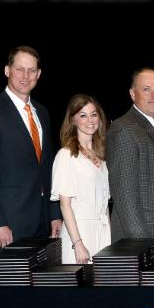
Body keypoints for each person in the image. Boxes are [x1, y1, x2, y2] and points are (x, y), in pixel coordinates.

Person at [0, 46, 62, 255]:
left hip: (42, 224)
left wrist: (54, 214)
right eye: (19, 69)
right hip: (7, 227)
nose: (25, 76)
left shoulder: (43, 113)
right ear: (7, 70)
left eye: (31, 70)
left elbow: (47, 168)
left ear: (39, 74)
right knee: (9, 279)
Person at [106, 68, 154, 262]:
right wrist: (145, 248)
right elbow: (125, 198)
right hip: (145, 245)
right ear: (133, 94)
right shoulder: (123, 129)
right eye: (146, 89)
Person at [51, 95, 111, 264]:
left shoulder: (102, 157)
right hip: (79, 233)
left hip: (102, 232)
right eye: (83, 115)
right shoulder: (66, 155)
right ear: (73, 120)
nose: (90, 120)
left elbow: (105, 204)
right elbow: (65, 205)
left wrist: (109, 237)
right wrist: (77, 244)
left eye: (94, 114)